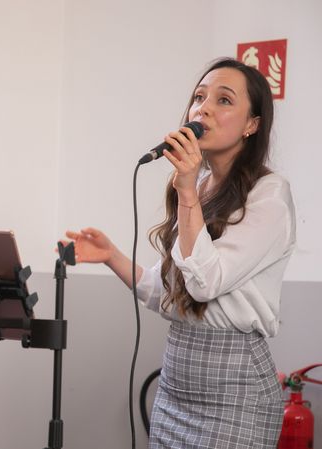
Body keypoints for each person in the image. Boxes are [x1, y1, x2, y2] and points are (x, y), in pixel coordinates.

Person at [63, 58, 296, 448]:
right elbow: (167, 292)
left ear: (252, 124)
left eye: (223, 100)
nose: (202, 108)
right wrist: (111, 256)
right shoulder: (200, 186)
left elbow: (207, 283)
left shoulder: (270, 195)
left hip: (235, 393)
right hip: (176, 384)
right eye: (199, 97)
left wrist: (186, 192)